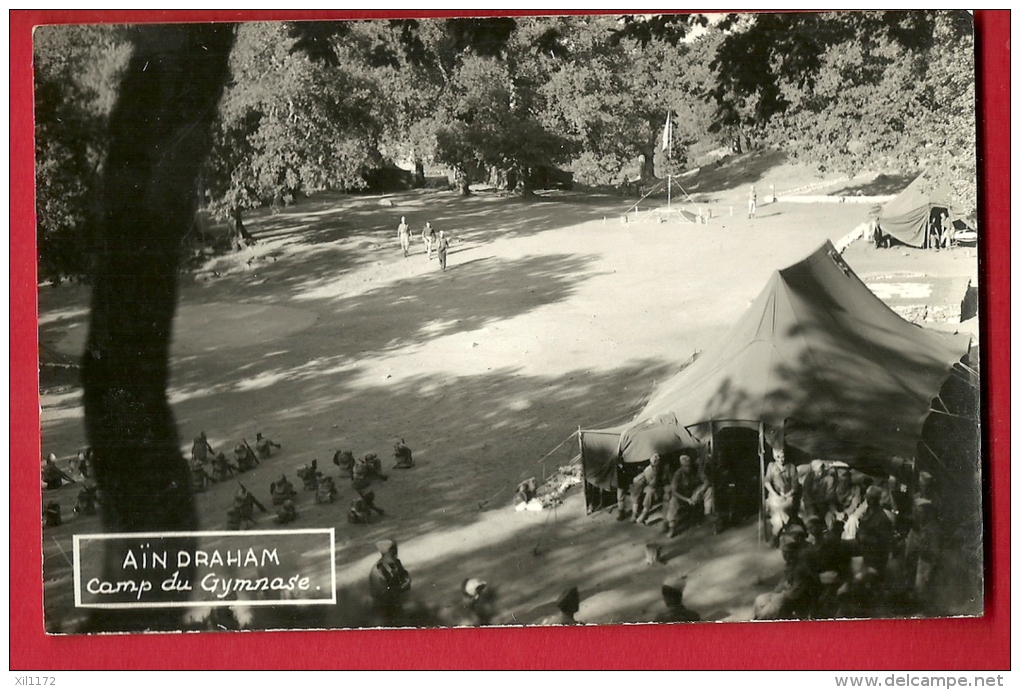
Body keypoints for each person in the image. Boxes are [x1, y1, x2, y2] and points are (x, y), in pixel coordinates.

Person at [753, 525, 819, 620]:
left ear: (793, 553)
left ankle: (760, 622)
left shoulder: (801, 566)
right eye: (783, 553)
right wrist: (774, 593)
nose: (784, 556)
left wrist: (779, 595)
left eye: (786, 553)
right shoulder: (790, 565)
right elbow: (784, 580)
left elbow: (795, 592)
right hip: (786, 593)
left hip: (797, 597)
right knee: (760, 600)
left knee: (768, 610)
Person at [663, 454, 715, 538]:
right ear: (681, 466)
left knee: (709, 490)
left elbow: (706, 482)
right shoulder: (678, 474)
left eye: (689, 465)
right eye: (685, 466)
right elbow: (674, 492)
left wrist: (698, 492)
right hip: (683, 496)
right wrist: (687, 499)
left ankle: (708, 512)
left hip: (694, 493)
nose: (688, 468)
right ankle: (672, 526)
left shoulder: (696, 469)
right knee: (673, 501)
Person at [368, 539, 412, 620]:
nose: (396, 553)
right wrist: (401, 587)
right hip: (384, 609)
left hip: (398, 603)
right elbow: (381, 593)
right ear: (387, 553)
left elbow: (404, 574)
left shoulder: (396, 563)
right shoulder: (377, 570)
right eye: (393, 551)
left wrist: (407, 580)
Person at [764, 447, 800, 543]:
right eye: (778, 457)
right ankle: (782, 528)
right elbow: (766, 482)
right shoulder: (771, 466)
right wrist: (774, 494)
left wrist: (786, 495)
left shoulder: (791, 467)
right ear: (774, 457)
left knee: (780, 509)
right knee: (772, 509)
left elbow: (795, 487)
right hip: (775, 496)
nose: (781, 459)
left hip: (788, 496)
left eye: (783, 457)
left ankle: (776, 534)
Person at [631, 454, 664, 524]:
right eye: (653, 466)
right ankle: (634, 511)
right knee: (638, 483)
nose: (655, 467)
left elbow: (654, 485)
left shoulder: (664, 468)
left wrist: (656, 475)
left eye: (657, 465)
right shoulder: (648, 470)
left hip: (661, 486)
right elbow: (651, 483)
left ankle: (644, 513)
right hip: (652, 484)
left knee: (650, 492)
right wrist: (655, 476)